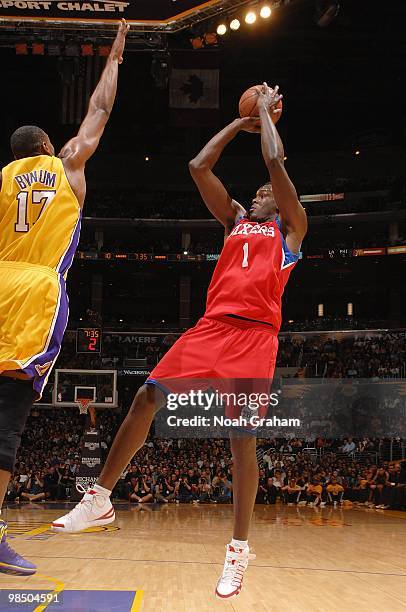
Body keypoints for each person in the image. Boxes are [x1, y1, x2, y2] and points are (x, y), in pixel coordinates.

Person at [53, 83, 307, 600]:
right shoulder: (235, 222)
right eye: (256, 195)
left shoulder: (291, 232)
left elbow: (277, 163)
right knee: (147, 396)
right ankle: (99, 496)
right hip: (212, 328)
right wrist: (240, 122)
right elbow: (197, 166)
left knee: (241, 443)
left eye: (261, 195)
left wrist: (264, 116)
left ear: (275, 203)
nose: (256, 197)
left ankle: (238, 552)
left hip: (256, 338)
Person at [0, 20, 129, 576]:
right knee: (7, 418)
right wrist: (117, 56)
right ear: (48, 147)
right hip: (35, 293)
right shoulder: (68, 163)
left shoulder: (3, 179)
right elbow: (98, 109)